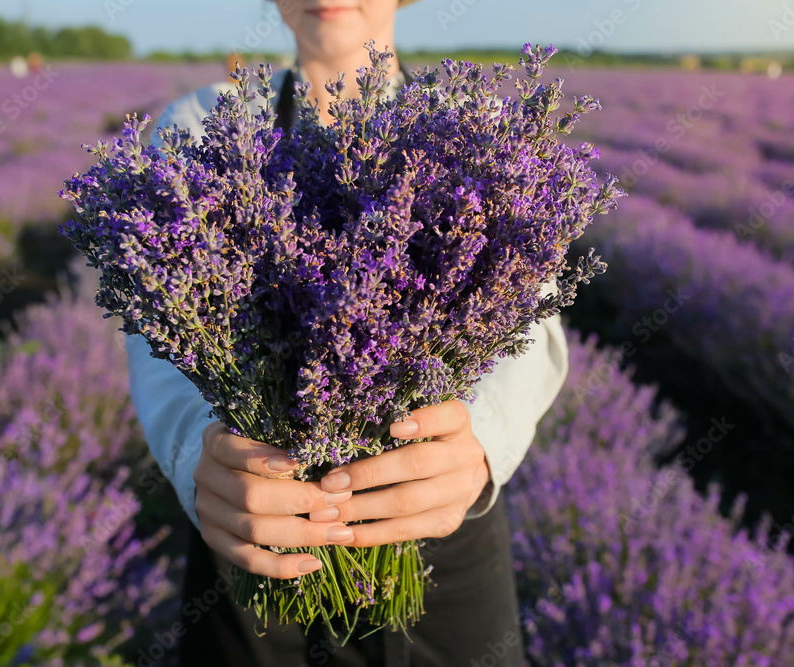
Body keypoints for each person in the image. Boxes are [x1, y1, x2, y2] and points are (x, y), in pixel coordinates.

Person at [124, 1, 570, 664]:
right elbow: (153, 322)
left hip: (440, 542)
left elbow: (533, 319)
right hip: (252, 539)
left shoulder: (477, 127)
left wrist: (478, 444)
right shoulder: (203, 124)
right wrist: (196, 451)